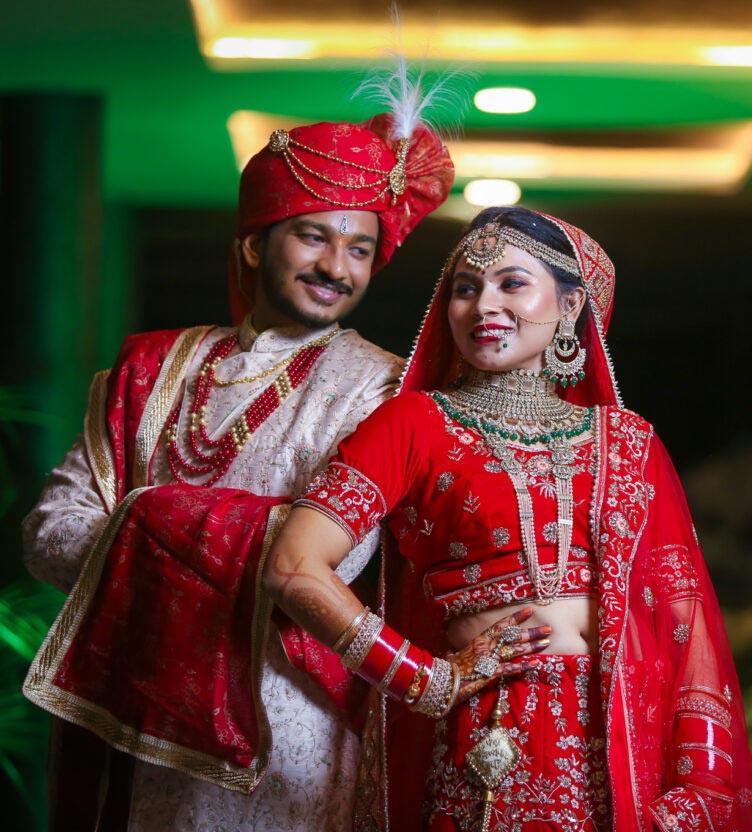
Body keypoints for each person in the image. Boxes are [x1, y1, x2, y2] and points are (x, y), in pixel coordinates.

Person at [264, 206, 752, 832]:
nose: (483, 306)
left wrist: (701, 785)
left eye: (512, 283)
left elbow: (681, 620)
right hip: (489, 745)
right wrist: (427, 679)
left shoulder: (628, 442)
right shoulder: (415, 424)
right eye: (465, 288)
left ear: (571, 306)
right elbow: (292, 567)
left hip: (624, 756)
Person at [21, 109, 455, 831]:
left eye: (359, 248)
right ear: (256, 244)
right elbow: (49, 535)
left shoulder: (385, 391)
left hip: (294, 731)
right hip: (137, 713)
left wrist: (147, 519)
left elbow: (336, 566)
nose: (335, 267)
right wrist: (247, 540)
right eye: (313, 236)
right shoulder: (150, 373)